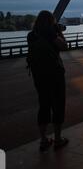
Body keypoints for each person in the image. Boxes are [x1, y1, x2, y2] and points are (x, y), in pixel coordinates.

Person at [27, 10, 69, 152]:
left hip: (38, 76)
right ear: (51, 21)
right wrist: (58, 32)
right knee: (58, 105)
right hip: (55, 75)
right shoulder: (51, 34)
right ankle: (57, 139)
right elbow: (64, 46)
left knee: (44, 105)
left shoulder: (31, 35)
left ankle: (44, 139)